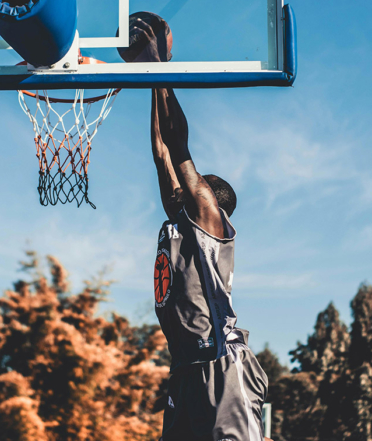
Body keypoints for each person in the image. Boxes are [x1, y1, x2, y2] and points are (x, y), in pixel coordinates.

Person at [130, 13, 272, 441]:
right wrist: (147, 77)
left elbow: (177, 145)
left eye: (197, 184)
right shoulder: (178, 222)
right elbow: (160, 152)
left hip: (220, 364)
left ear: (211, 199)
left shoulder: (211, 222)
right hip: (186, 368)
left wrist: (160, 69)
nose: (184, 185)